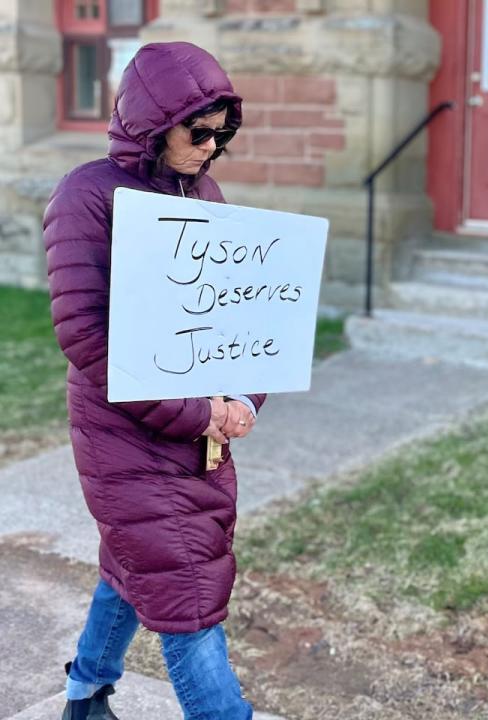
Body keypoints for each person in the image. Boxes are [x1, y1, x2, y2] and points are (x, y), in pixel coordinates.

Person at [44, 42, 264, 720]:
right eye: (197, 131)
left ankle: (83, 694)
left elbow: (238, 313)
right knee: (186, 597)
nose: (209, 147)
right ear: (153, 118)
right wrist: (198, 413)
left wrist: (242, 400)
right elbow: (85, 336)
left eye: (221, 135)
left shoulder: (206, 193)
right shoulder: (87, 194)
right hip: (125, 433)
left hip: (199, 434)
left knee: (136, 565)